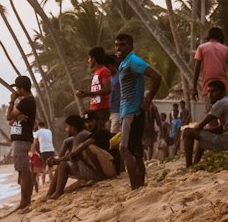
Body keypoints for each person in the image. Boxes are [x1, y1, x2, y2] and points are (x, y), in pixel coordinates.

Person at [113, 32, 163, 190]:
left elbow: (156, 76)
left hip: (132, 112)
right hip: (128, 111)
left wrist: (147, 100)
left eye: (123, 45)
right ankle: (140, 186)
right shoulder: (124, 63)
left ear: (130, 46)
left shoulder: (134, 61)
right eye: (117, 45)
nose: (119, 48)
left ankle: (135, 186)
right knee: (136, 152)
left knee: (124, 148)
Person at [44, 112, 116, 199]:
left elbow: (75, 153)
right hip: (101, 168)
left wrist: (58, 160)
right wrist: (59, 160)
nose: (88, 125)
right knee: (62, 164)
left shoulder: (98, 132)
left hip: (107, 169)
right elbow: (72, 152)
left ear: (72, 127)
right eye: (86, 122)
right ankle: (50, 194)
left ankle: (57, 193)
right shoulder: (87, 135)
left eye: (91, 121)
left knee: (64, 163)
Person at [182, 80, 228, 167]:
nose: (210, 95)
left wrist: (193, 128)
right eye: (209, 91)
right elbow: (221, 128)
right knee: (202, 134)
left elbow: (199, 126)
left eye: (214, 91)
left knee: (187, 132)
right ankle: (195, 164)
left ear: (222, 93)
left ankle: (188, 166)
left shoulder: (220, 103)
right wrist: (205, 130)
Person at [192, 26, 228, 116]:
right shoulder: (226, 49)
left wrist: (194, 88)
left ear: (209, 37)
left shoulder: (201, 48)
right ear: (220, 37)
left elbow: (197, 68)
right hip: (224, 88)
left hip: (208, 88)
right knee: (227, 116)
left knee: (211, 116)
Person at [9, 94, 38, 210]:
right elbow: (10, 121)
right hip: (21, 140)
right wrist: (16, 117)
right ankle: (26, 200)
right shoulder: (26, 103)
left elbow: (8, 116)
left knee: (24, 171)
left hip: (21, 140)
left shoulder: (26, 101)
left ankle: (24, 201)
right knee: (24, 172)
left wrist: (11, 101)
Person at [78, 47, 112, 134]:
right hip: (95, 109)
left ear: (94, 58)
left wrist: (88, 94)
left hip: (101, 109)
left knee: (98, 134)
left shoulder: (104, 71)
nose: (88, 60)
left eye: (89, 58)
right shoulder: (97, 72)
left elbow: (108, 89)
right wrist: (86, 93)